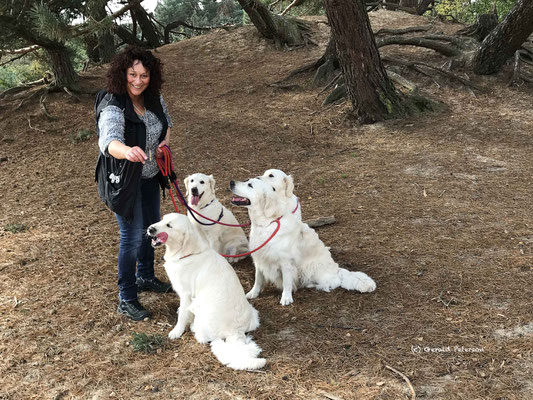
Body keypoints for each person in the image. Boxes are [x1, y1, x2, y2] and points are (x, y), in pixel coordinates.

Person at [96, 46, 173, 321]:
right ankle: (126, 297)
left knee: (151, 229)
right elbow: (109, 141)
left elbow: (167, 126)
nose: (138, 80)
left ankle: (146, 276)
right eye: (132, 74)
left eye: (144, 75)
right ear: (123, 74)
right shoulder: (113, 104)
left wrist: (164, 144)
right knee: (131, 238)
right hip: (124, 183)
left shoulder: (153, 98)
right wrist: (126, 150)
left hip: (151, 176)